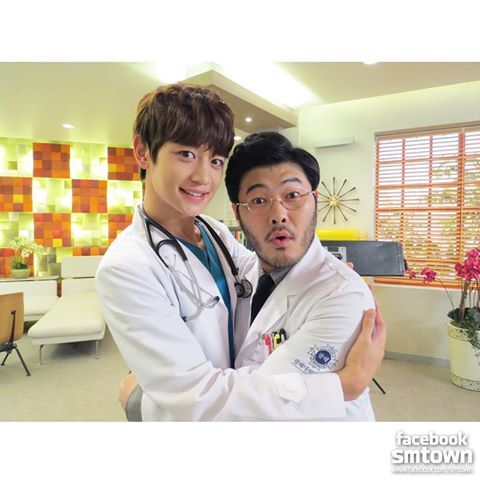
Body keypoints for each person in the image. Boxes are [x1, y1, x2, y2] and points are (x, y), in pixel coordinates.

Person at [96, 83, 385, 421]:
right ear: (143, 152)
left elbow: (272, 268)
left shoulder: (214, 233)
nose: (203, 177)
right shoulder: (127, 266)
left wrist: (335, 277)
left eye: (216, 160)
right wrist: (342, 386)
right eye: (186, 154)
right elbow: (195, 396)